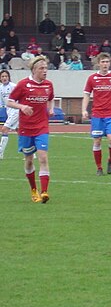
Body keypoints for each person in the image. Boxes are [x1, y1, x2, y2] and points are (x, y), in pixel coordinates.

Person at [6, 56, 55, 202]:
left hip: (42, 127)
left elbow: (51, 98)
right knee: (28, 161)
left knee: (43, 157)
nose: (45, 71)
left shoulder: (48, 85)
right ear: (34, 70)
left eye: (46, 68)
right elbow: (9, 101)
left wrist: (51, 109)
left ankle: (44, 192)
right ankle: (33, 189)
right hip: (26, 129)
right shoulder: (23, 85)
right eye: (42, 68)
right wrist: (22, 106)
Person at [82, 53, 111, 176]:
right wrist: (84, 110)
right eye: (103, 62)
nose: (105, 64)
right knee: (97, 141)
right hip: (97, 115)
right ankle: (99, 168)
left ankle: (110, 160)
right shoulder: (92, 79)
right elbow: (86, 95)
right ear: (98, 63)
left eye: (107, 62)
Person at [0, 69, 20, 159]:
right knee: (19, 131)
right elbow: (2, 103)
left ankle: (0, 153)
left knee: (4, 129)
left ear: (9, 77)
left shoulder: (13, 86)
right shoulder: (0, 88)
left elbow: (20, 96)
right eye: (3, 76)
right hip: (9, 111)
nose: (4, 78)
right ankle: (31, 152)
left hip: (15, 111)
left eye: (6, 76)